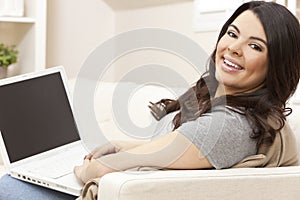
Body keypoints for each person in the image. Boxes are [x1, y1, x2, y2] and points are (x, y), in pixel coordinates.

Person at [0, 1, 299, 199]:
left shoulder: (227, 126)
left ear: (278, 64)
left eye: (255, 46)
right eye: (232, 33)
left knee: (8, 186)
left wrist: (83, 170)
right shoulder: (229, 105)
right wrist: (122, 145)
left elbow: (106, 170)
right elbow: (175, 148)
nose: (234, 48)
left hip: (121, 190)